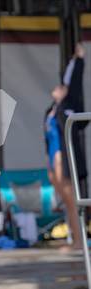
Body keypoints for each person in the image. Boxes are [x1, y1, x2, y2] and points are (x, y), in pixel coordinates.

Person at [45, 43, 88, 250]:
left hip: (62, 158)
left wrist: (78, 60)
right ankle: (73, 237)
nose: (56, 88)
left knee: (72, 201)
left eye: (60, 87)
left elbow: (74, 83)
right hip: (53, 158)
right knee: (66, 201)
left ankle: (79, 240)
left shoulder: (66, 107)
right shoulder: (52, 110)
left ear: (64, 92)